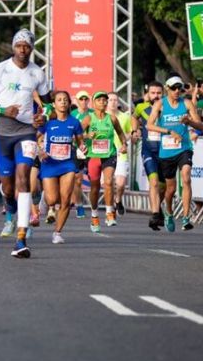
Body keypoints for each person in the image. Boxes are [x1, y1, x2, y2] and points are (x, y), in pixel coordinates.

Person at [0, 29, 50, 259]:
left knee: (24, 178)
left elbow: (49, 104)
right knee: (7, 185)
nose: (23, 50)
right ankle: (9, 202)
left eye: (27, 46)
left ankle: (21, 239)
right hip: (2, 133)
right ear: (13, 47)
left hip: (26, 132)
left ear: (31, 48)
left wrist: (44, 116)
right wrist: (1, 110)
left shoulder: (37, 73)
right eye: (19, 45)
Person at [146, 76, 203, 232]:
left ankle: (185, 217)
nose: (177, 91)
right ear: (167, 88)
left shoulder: (187, 103)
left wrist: (189, 122)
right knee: (170, 189)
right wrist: (169, 131)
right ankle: (169, 212)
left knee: (186, 177)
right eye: (174, 88)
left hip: (184, 148)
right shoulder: (160, 104)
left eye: (179, 88)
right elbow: (149, 125)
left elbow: (200, 125)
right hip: (167, 151)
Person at [37, 91, 84, 243]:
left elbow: (80, 141)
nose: (63, 102)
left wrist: (83, 147)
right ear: (54, 104)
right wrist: (40, 151)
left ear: (69, 103)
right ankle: (46, 200)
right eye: (59, 100)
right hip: (50, 163)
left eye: (65, 100)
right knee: (52, 199)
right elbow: (35, 138)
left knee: (65, 199)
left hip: (67, 163)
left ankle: (57, 233)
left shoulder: (74, 122)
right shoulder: (47, 122)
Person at [80, 91, 127, 233]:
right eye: (99, 100)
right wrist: (87, 136)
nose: (102, 102)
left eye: (104, 100)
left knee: (108, 182)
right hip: (93, 156)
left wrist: (124, 144)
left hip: (109, 154)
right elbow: (77, 135)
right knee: (94, 187)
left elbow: (120, 133)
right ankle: (94, 215)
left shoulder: (112, 118)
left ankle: (109, 212)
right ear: (94, 103)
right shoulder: (89, 118)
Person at [134, 81, 164, 229]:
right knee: (153, 182)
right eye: (153, 93)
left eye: (159, 93)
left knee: (165, 188)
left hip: (166, 152)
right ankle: (155, 214)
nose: (156, 96)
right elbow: (134, 117)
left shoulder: (168, 109)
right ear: (148, 94)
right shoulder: (141, 107)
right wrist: (135, 130)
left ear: (163, 93)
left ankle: (158, 208)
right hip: (148, 151)